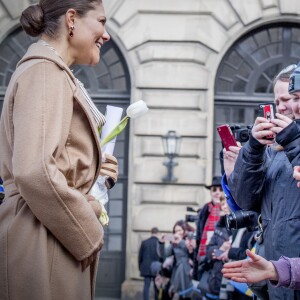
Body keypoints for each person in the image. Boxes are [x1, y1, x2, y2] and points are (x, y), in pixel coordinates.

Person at [0, 1, 119, 300]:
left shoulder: (52, 72)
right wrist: (87, 232)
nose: (106, 35)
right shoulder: (44, 71)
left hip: (48, 231)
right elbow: (35, 169)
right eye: (101, 22)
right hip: (42, 237)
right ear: (71, 20)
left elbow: (49, 162)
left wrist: (94, 174)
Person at [223, 64, 300, 299]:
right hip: (274, 276)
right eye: (278, 102)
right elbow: (245, 200)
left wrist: (293, 140)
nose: (284, 107)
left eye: (291, 98)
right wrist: (253, 149)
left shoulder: (290, 141)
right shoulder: (273, 150)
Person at [194, 176, 223, 280]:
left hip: (220, 254)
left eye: (220, 189)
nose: (217, 192)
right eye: (214, 189)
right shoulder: (205, 209)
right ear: (210, 192)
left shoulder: (228, 208)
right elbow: (199, 234)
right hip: (204, 254)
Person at [138, 227, 161, 300]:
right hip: (156, 268)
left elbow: (140, 256)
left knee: (146, 286)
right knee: (157, 286)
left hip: (146, 267)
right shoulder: (159, 243)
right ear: (157, 233)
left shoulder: (144, 242)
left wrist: (140, 267)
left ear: (151, 233)